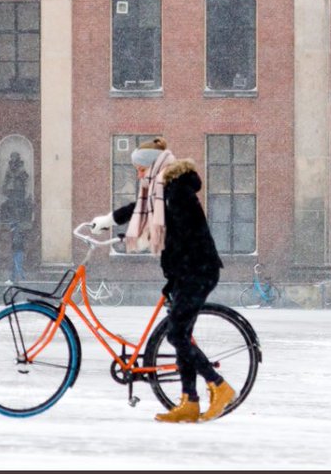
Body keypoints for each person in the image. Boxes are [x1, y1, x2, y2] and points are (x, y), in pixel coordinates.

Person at [91, 138, 233, 423]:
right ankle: (189, 402)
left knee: (177, 335)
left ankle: (219, 386)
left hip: (197, 272)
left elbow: (180, 236)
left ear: (153, 166)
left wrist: (136, 235)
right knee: (182, 337)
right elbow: (144, 210)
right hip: (188, 272)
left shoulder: (176, 191)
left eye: (140, 168)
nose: (138, 174)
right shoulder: (164, 190)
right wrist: (112, 219)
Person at [7, 220, 28, 284]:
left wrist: (13, 248)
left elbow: (16, 242)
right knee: (16, 265)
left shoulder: (16, 232)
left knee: (17, 265)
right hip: (19, 250)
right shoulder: (18, 231)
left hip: (18, 250)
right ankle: (13, 279)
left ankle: (22, 279)